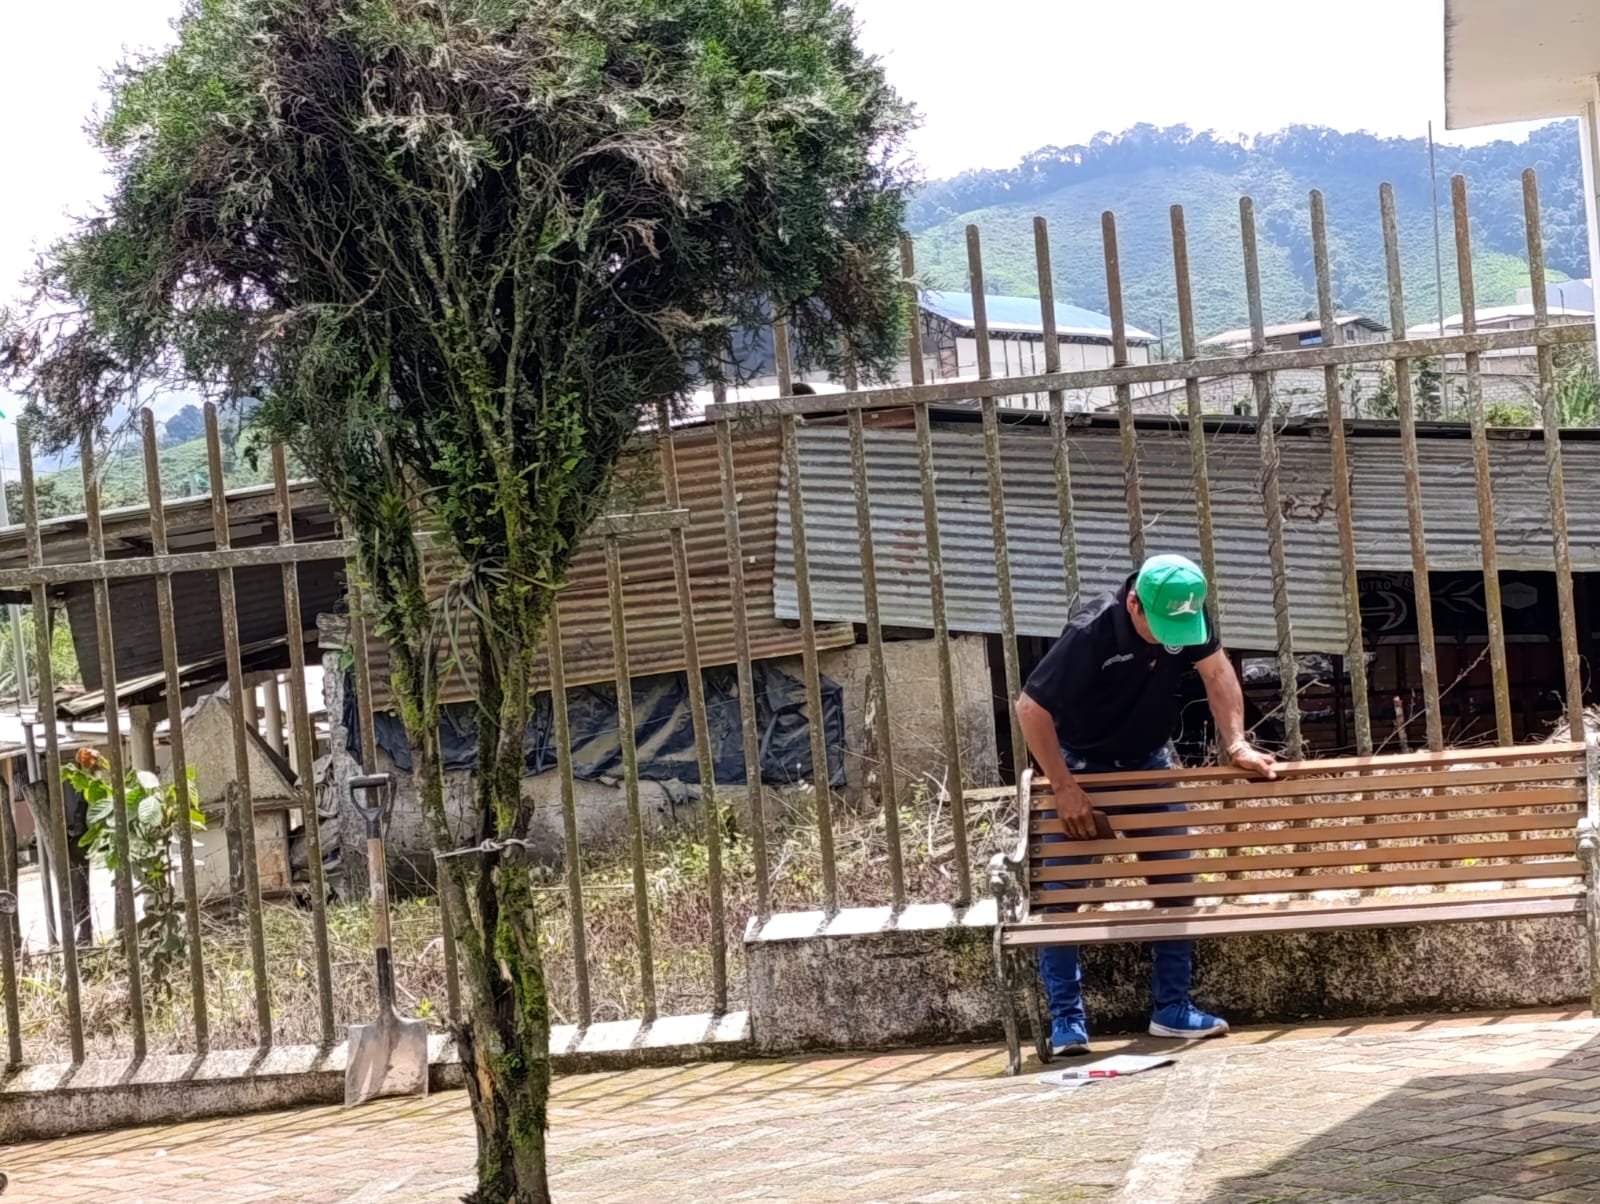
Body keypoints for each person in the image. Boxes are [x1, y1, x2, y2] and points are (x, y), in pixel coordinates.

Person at [1013, 553, 1277, 1056]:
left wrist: (1237, 743)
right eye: (1159, 626)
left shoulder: (1186, 609)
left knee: (1176, 883)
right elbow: (1031, 708)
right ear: (1134, 603)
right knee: (1059, 900)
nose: (1168, 637)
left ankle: (1171, 1009)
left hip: (1150, 760)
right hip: (1082, 764)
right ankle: (1067, 1021)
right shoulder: (1091, 632)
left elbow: (1217, 674)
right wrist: (1064, 787)